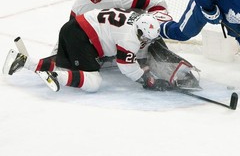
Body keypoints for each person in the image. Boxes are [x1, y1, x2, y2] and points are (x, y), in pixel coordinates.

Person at [3, 8, 172, 92]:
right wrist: (149, 81)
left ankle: (24, 61)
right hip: (83, 37)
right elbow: (127, 67)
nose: (145, 42)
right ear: (140, 31)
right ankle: (56, 77)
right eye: (145, 38)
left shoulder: (136, 17)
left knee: (65, 62)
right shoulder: (130, 38)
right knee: (94, 82)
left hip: (72, 28)